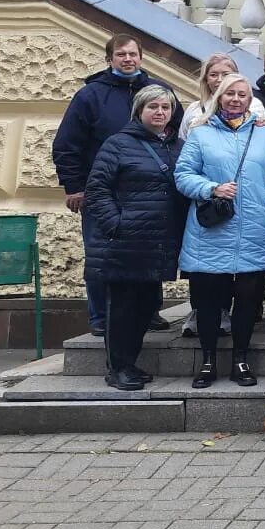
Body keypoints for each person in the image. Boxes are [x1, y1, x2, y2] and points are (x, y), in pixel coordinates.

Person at [52, 33, 183, 336]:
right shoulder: (90, 96)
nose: (127, 59)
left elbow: (174, 136)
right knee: (101, 256)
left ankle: (149, 312)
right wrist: (74, 186)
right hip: (102, 192)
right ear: (109, 58)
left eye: (133, 54)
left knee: (148, 253)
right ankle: (99, 317)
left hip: (147, 193)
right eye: (121, 54)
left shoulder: (159, 92)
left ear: (141, 57)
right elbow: (67, 144)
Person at [175, 74, 265, 388]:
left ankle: (241, 358)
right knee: (210, 300)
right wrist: (211, 187)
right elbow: (183, 175)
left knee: (248, 300)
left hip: (254, 226)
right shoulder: (200, 132)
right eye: (230, 94)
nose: (236, 99)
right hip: (211, 231)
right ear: (219, 97)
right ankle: (208, 360)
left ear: (249, 99)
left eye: (242, 94)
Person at [83, 84, 187, 391]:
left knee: (144, 306)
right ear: (139, 111)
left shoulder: (177, 146)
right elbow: (97, 189)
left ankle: (130, 363)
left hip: (157, 242)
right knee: (123, 309)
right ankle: (117, 367)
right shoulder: (118, 144)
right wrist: (116, 224)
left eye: (165, 107)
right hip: (125, 241)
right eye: (152, 107)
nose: (160, 112)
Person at [181, 53, 265, 139]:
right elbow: (182, 140)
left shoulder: (253, 104)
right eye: (213, 75)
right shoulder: (194, 109)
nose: (219, 80)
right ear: (206, 79)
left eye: (225, 74)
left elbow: (262, 138)